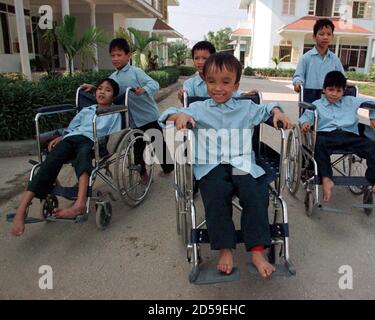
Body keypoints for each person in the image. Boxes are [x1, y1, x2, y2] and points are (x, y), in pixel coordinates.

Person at [159, 53, 292, 279]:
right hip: (210, 165)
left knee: (255, 192)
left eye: (225, 82)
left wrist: (277, 112)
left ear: (236, 85)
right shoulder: (199, 108)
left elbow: (269, 109)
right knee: (215, 194)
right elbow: (166, 115)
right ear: (205, 81)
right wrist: (179, 115)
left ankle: (258, 252)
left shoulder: (247, 108)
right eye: (211, 81)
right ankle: (225, 249)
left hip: (242, 163)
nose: (217, 88)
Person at [11, 78, 122, 237]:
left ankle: (80, 204)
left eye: (107, 90)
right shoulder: (86, 110)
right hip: (72, 138)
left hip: (92, 141)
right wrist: (62, 136)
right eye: (99, 88)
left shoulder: (114, 113)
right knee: (49, 163)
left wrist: (101, 144)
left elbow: (113, 134)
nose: (102, 91)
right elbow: (72, 128)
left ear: (113, 97)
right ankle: (21, 210)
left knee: (83, 156)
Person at [81, 38, 174, 180]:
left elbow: (154, 84)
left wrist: (143, 89)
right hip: (132, 121)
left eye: (119, 55)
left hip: (148, 116)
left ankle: (168, 168)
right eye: (113, 55)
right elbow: (108, 91)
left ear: (128, 56)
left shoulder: (136, 72)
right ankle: (142, 173)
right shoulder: (113, 77)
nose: (116, 58)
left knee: (158, 143)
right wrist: (94, 88)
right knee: (137, 147)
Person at [299, 71, 375, 205]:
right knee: (319, 144)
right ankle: (326, 179)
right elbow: (306, 117)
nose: (334, 94)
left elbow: (372, 102)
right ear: (324, 90)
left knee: (371, 146)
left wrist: (372, 117)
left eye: (338, 90)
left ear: (344, 91)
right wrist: (306, 124)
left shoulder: (350, 101)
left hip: (349, 136)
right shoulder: (317, 104)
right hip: (327, 136)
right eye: (330, 89)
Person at [177, 40, 256, 102]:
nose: (200, 62)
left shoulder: (223, 79)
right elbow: (187, 101)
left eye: (205, 58)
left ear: (213, 59)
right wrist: (183, 97)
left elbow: (232, 92)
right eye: (196, 58)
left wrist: (244, 95)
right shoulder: (189, 84)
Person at [293, 18, 345, 102]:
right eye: (321, 34)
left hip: (330, 100)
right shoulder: (306, 58)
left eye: (329, 34)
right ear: (314, 36)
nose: (325, 37)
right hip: (310, 97)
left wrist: (345, 83)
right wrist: (297, 83)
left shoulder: (335, 59)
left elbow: (341, 78)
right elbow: (298, 76)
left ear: (332, 37)